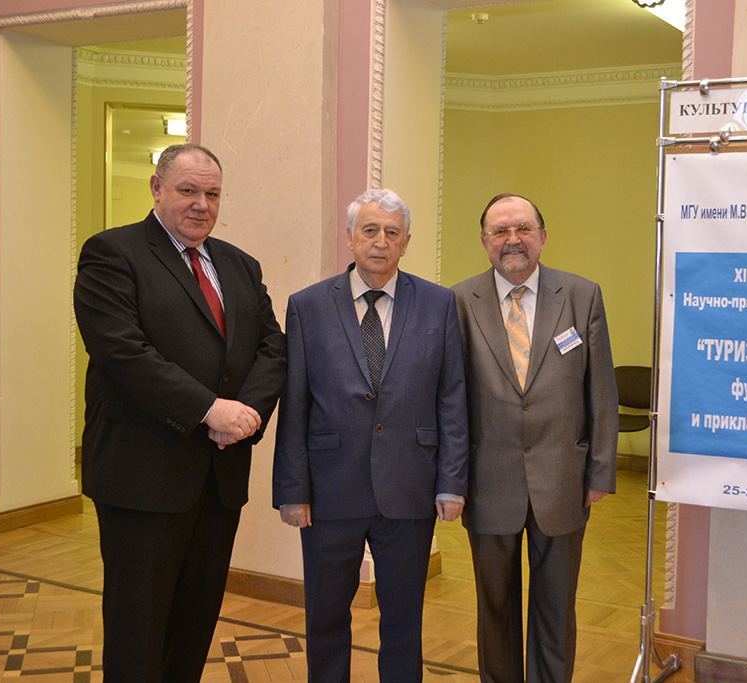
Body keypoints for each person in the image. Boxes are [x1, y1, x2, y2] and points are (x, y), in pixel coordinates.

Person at [74, 143, 287, 682]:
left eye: (212, 194)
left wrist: (246, 415)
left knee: (194, 625)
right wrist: (209, 410)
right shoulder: (112, 253)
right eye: (188, 190)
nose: (201, 204)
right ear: (156, 188)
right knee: (138, 629)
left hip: (219, 476)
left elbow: (272, 347)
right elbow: (122, 353)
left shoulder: (240, 265)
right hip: (141, 478)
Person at [273, 188, 469, 682]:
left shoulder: (440, 304)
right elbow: (294, 404)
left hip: (410, 486)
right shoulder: (308, 306)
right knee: (325, 617)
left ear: (406, 242)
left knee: (403, 620)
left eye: (392, 232)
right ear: (350, 238)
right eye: (370, 230)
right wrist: (292, 490)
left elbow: (452, 398)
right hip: (329, 490)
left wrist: (452, 482)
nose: (381, 241)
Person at [451, 193, 618, 682]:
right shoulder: (457, 302)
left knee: (556, 609)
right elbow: (449, 401)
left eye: (522, 228)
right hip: (487, 482)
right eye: (500, 231)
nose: (512, 240)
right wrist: (450, 481)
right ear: (484, 241)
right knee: (494, 609)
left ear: (542, 236)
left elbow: (601, 390)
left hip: (563, 479)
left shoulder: (582, 296)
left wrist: (600, 471)